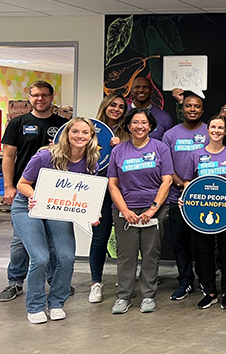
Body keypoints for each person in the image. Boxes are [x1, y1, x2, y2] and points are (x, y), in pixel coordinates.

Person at [13, 117, 100, 323]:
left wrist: (91, 214)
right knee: (41, 258)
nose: (80, 136)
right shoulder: (46, 156)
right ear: (66, 134)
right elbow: (22, 183)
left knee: (67, 257)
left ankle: (56, 304)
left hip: (57, 211)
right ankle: (35, 306)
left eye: (85, 132)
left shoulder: (90, 163)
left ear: (91, 136)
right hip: (28, 207)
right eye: (75, 131)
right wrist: (35, 197)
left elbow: (86, 198)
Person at [0, 80, 67, 302]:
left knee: (53, 240)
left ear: (51, 97)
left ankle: (53, 280)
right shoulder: (18, 123)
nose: (40, 99)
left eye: (44, 95)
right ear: (29, 97)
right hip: (24, 189)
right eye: (35, 95)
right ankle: (15, 281)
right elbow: (8, 157)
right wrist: (8, 187)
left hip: (54, 191)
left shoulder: (63, 125)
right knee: (21, 240)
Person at [108, 108, 173, 314]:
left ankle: (147, 296)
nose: (139, 126)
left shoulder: (160, 148)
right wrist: (125, 210)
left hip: (153, 209)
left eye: (144, 123)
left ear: (151, 126)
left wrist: (153, 208)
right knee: (126, 255)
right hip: (125, 210)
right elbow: (112, 184)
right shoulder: (118, 151)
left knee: (150, 254)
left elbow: (167, 180)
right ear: (128, 126)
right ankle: (124, 297)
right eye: (135, 122)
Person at [181, 115, 226, 310]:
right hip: (200, 211)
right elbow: (187, 180)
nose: (217, 131)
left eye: (221, 128)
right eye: (213, 127)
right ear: (208, 131)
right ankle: (209, 291)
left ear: (225, 132)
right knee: (204, 252)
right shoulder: (195, 155)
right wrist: (186, 195)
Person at [163, 94, 209, 301]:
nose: (192, 109)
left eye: (196, 106)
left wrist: (196, 188)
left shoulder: (211, 131)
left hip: (204, 199)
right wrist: (183, 185)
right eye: (188, 106)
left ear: (202, 109)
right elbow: (166, 167)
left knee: (201, 243)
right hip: (176, 197)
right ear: (182, 108)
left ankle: (205, 282)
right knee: (180, 242)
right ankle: (185, 281)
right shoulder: (170, 135)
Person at [88, 94, 129, 304]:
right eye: (113, 105)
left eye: (121, 107)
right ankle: (96, 283)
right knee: (99, 237)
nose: (116, 109)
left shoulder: (128, 133)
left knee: (125, 240)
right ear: (104, 105)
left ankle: (125, 280)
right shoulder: (89, 130)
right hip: (98, 191)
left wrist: (121, 146)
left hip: (122, 191)